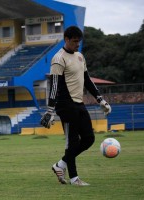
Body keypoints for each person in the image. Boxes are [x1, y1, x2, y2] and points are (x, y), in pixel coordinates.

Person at [40, 26, 111, 186]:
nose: (77, 45)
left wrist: (100, 99)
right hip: (65, 104)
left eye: (78, 42)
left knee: (89, 138)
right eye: (74, 42)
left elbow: (87, 79)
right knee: (71, 142)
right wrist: (50, 110)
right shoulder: (58, 58)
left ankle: (60, 165)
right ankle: (74, 178)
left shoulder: (80, 56)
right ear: (66, 39)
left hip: (79, 103)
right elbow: (54, 85)